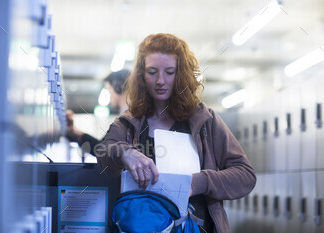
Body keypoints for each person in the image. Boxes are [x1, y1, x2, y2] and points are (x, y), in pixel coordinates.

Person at [95, 33, 256, 233]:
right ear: (141, 75)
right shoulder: (130, 121)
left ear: (181, 74)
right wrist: (125, 152)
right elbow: (103, 151)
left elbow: (245, 176)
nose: (160, 81)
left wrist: (199, 182)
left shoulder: (205, 120)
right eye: (152, 72)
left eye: (170, 72)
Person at [66, 69, 130, 154]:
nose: (110, 96)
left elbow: (102, 149)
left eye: (108, 89)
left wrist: (74, 132)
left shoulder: (127, 117)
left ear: (118, 87)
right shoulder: (126, 115)